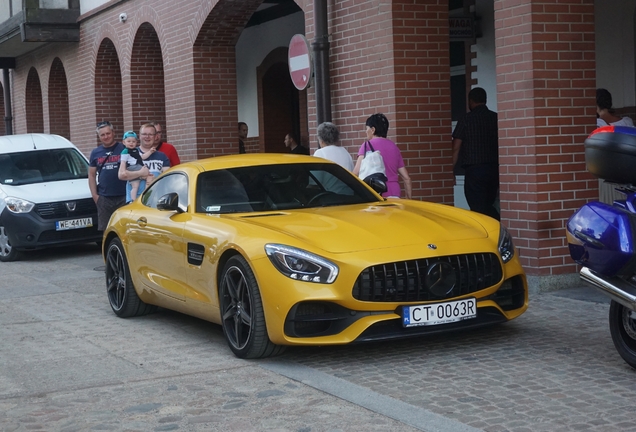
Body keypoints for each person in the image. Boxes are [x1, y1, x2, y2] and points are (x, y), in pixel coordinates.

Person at [452, 87, 500, 220]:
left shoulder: (466, 120)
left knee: (477, 207)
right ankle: (495, 223)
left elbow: (456, 147)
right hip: (494, 169)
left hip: (474, 170)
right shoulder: (495, 118)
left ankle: (488, 228)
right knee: (489, 203)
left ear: (471, 101)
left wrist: (451, 169)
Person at [353, 113, 412, 199]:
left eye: (367, 128)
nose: (366, 132)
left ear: (373, 130)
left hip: (375, 192)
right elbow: (407, 178)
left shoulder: (366, 146)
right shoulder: (394, 147)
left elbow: (355, 173)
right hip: (394, 192)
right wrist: (409, 198)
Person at [89, 121, 132, 232]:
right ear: (99, 137)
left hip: (124, 196)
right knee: (106, 231)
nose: (106, 137)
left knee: (125, 229)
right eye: (102, 135)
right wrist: (95, 196)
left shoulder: (124, 148)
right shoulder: (95, 152)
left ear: (113, 133)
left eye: (108, 133)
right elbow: (91, 175)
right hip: (104, 198)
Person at [595, 88, 635, 204]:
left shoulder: (598, 125)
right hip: (627, 173)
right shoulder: (627, 122)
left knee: (608, 204)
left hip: (607, 173)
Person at [118, 123, 170, 203]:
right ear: (139, 136)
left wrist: (154, 180)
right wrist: (141, 173)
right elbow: (121, 175)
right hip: (134, 203)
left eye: (150, 134)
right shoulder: (129, 153)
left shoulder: (162, 156)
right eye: (144, 134)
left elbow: (167, 179)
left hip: (155, 202)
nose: (147, 137)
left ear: (155, 136)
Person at [120, 130, 155, 202]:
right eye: (129, 141)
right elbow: (123, 162)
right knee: (136, 185)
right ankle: (134, 199)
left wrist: (150, 151)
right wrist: (123, 170)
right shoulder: (125, 151)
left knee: (147, 178)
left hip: (138, 166)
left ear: (136, 142)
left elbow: (142, 157)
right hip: (132, 168)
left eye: (133, 141)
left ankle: (145, 193)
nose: (131, 143)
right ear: (124, 142)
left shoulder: (136, 150)